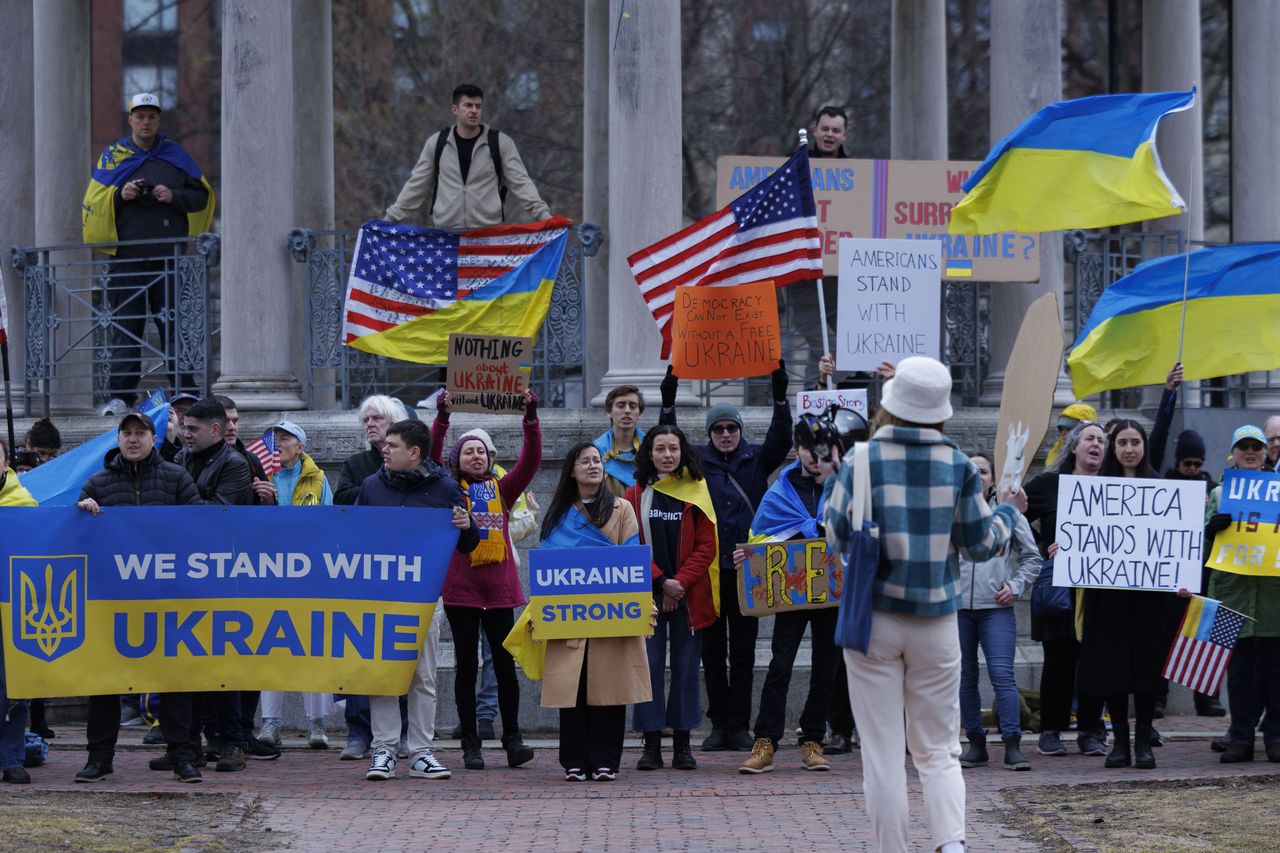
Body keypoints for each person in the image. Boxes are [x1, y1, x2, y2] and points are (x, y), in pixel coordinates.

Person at [825, 356, 1026, 853]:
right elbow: (981, 545)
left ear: (890, 404)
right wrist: (1005, 508)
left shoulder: (862, 459)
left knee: (883, 754)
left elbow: (834, 534)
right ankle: (951, 844)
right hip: (936, 619)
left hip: (872, 617)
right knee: (939, 750)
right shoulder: (958, 463)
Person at [657, 363, 793, 751]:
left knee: (745, 652)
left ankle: (739, 724)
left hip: (747, 571)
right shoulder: (698, 462)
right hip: (711, 572)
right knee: (713, 652)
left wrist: (779, 395)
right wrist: (668, 403)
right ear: (710, 434)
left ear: (739, 430)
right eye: (718, 430)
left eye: (731, 428)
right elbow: (669, 442)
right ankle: (719, 723)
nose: (726, 435)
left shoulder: (757, 460)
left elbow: (780, 438)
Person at [73, 412, 204, 783]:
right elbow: (76, 539)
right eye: (126, 433)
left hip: (167, 597)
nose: (133, 439)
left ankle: (182, 756)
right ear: (118, 439)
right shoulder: (97, 484)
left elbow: (198, 527)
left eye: (140, 433)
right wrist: (82, 514)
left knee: (174, 679)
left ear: (154, 438)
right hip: (112, 602)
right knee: (105, 682)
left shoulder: (177, 479)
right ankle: (100, 758)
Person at [357, 419, 480, 782]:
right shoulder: (371, 486)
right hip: (380, 596)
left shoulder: (444, 488)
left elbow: (470, 543)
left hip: (425, 598)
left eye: (392, 445)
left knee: (422, 675)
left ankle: (421, 751)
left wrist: (466, 524)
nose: (384, 449)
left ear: (414, 453)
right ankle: (384, 749)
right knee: (381, 674)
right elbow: (355, 537)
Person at [431, 389, 541, 771]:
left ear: (491, 459)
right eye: (468, 452)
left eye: (482, 452)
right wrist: (442, 418)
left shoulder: (503, 489)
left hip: (498, 591)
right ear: (457, 460)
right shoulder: (445, 489)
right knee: (466, 666)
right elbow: (430, 456)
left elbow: (531, 462)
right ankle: (470, 743)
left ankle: (513, 738)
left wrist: (530, 416)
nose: (476, 456)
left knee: (504, 666)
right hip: (462, 591)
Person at [85, 93, 213, 415]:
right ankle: (121, 397)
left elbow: (201, 197)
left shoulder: (175, 155)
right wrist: (120, 194)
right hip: (126, 260)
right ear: (130, 120)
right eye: (139, 116)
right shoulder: (113, 157)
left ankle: (184, 392)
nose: (145, 122)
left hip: (169, 261)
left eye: (151, 116)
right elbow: (93, 202)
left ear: (158, 120)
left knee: (174, 326)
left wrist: (173, 195)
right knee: (126, 329)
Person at [538, 442, 652, 782]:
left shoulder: (621, 509)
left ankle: (606, 760)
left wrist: (645, 604)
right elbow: (548, 566)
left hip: (611, 613)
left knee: (609, 688)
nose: (593, 466)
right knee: (572, 688)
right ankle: (574, 759)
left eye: (597, 460)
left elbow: (632, 557)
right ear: (571, 471)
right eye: (584, 461)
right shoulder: (558, 515)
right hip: (569, 617)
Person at [738, 421, 846, 775]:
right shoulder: (779, 492)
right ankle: (765, 741)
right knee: (780, 664)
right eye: (809, 450)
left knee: (826, 668)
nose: (816, 458)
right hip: (793, 590)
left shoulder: (846, 490)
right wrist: (747, 556)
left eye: (824, 451)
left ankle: (813, 740)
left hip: (832, 591)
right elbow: (761, 537)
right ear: (796, 450)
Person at [1073, 420, 1179, 770]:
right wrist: (1066, 550)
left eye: (1135, 442)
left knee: (1147, 669)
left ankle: (1144, 742)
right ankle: (1119, 743)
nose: (1129, 449)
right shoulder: (1094, 489)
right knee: (1113, 668)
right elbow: (1080, 538)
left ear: (1144, 446)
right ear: (1112, 447)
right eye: (1122, 442)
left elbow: (1175, 544)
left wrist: (1181, 573)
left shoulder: (1162, 489)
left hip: (1149, 597)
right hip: (1108, 596)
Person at [624, 426, 717, 772]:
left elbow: (707, 546)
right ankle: (650, 746)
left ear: (683, 452)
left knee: (686, 670)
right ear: (649, 453)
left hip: (689, 598)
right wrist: (662, 582)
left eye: (673, 449)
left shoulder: (697, 493)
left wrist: (679, 583)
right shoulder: (634, 496)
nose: (667, 455)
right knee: (647, 668)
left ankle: (682, 744)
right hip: (647, 597)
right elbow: (629, 545)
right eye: (660, 448)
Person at [174, 398, 254, 772]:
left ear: (216, 430)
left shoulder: (235, 464)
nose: (185, 434)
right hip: (189, 573)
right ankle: (193, 742)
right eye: (184, 427)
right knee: (191, 662)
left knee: (223, 661)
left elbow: (219, 515)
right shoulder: (180, 460)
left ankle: (232, 742)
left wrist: (186, 503)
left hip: (224, 575)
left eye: (192, 429)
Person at [333, 394, 412, 761]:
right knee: (359, 649)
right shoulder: (355, 463)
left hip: (402, 569)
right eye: (365, 420)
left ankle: (405, 731)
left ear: (394, 421)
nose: (369, 425)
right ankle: (358, 731)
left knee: (402, 651)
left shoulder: (412, 463)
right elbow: (344, 499)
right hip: (361, 568)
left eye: (377, 418)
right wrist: (378, 484)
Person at [956, 453, 1041, 772]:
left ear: (993, 478)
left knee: (1002, 675)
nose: (976, 476)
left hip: (996, 609)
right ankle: (975, 742)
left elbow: (1032, 557)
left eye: (983, 471)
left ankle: (1012, 744)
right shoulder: (954, 513)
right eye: (970, 471)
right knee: (964, 677)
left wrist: (1016, 586)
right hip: (959, 609)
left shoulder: (1007, 514)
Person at [255, 422, 336, 752]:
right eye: (275, 438)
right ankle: (271, 722)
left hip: (310, 575)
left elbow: (330, 521)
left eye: (285, 438)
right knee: (269, 646)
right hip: (270, 574)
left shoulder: (318, 479)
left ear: (300, 446)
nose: (279, 443)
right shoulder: (263, 477)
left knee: (311, 645)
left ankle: (316, 724)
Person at [1205, 425, 1280, 763]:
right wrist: (1211, 528)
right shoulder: (1219, 494)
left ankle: (1275, 737)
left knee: (1276, 672)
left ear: (1265, 453)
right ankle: (1240, 738)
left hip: (1273, 600)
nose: (1250, 452)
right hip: (1232, 596)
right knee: (1237, 673)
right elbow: (1201, 547)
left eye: (1256, 447)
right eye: (1243, 446)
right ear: (1232, 453)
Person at [384, 83, 551, 230]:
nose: (474, 111)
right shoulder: (437, 143)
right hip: (447, 237)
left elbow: (521, 182)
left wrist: (544, 216)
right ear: (455, 109)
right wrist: (389, 219)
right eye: (468, 106)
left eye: (478, 106)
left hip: (488, 236)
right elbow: (417, 186)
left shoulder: (501, 143)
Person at [790, 106, 849, 388]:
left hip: (839, 281)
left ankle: (811, 407)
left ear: (844, 135)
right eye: (825, 128)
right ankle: (814, 404)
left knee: (822, 350)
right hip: (803, 278)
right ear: (815, 132)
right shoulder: (795, 167)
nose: (829, 134)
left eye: (836, 130)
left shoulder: (857, 173)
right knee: (834, 351)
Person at [0, 438, 37, 784]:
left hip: (11, 608)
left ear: (6, 461)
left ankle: (11, 757)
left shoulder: (23, 503)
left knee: (13, 686)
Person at [593, 385, 647, 497]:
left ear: (639, 414)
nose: (627, 411)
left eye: (633, 406)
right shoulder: (595, 452)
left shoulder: (650, 449)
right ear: (609, 412)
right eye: (621, 405)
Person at [1043, 402, 1099, 470]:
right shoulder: (1056, 451)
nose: (1063, 433)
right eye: (1061, 429)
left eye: (1068, 429)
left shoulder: (1098, 454)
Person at [159, 393, 198, 462]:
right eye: (180, 410)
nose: (186, 415)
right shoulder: (158, 443)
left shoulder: (204, 445)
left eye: (192, 410)